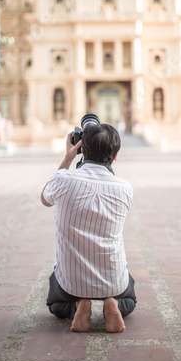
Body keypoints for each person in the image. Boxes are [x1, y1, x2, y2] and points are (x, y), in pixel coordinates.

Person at [41, 123, 136, 333]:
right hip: (113, 280)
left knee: (55, 304)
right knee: (130, 299)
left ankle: (78, 305)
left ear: (82, 149)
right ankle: (114, 304)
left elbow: (45, 198)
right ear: (116, 155)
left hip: (71, 282)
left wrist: (68, 158)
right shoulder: (125, 189)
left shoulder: (62, 180)